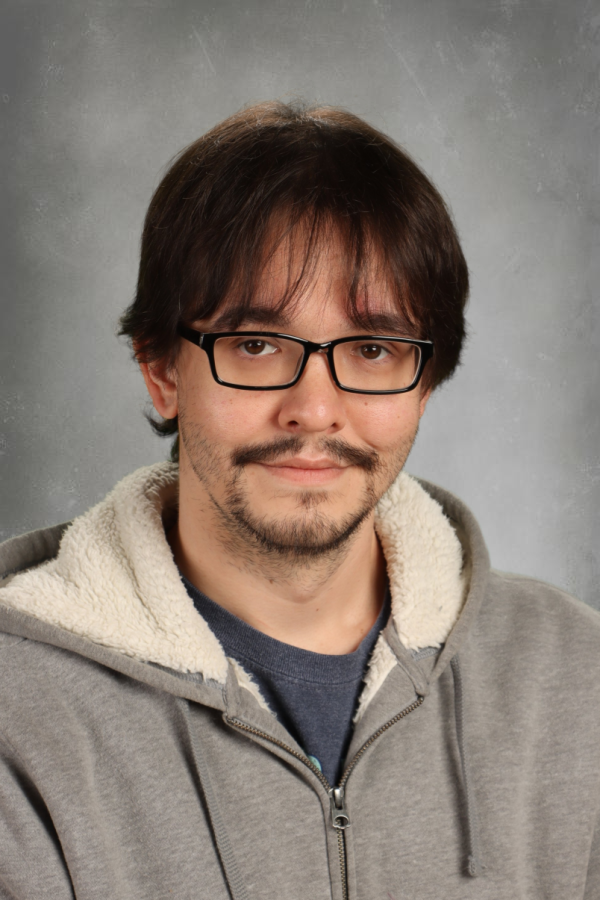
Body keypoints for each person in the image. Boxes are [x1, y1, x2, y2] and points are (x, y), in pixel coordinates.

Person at [0, 101, 598, 900]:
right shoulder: (20, 713)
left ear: (425, 383)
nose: (314, 409)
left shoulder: (576, 678)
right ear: (161, 370)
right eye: (255, 345)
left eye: (375, 348)